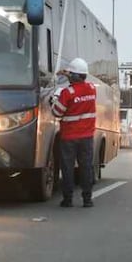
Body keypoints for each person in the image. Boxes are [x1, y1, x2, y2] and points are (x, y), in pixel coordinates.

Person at [51, 58, 97, 208]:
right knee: (86, 168)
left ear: (75, 76)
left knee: (67, 168)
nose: (69, 76)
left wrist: (54, 101)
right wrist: (68, 73)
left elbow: (57, 112)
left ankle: (68, 199)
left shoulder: (67, 93)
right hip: (87, 137)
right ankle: (87, 199)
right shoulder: (91, 89)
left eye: (71, 74)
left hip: (69, 137)